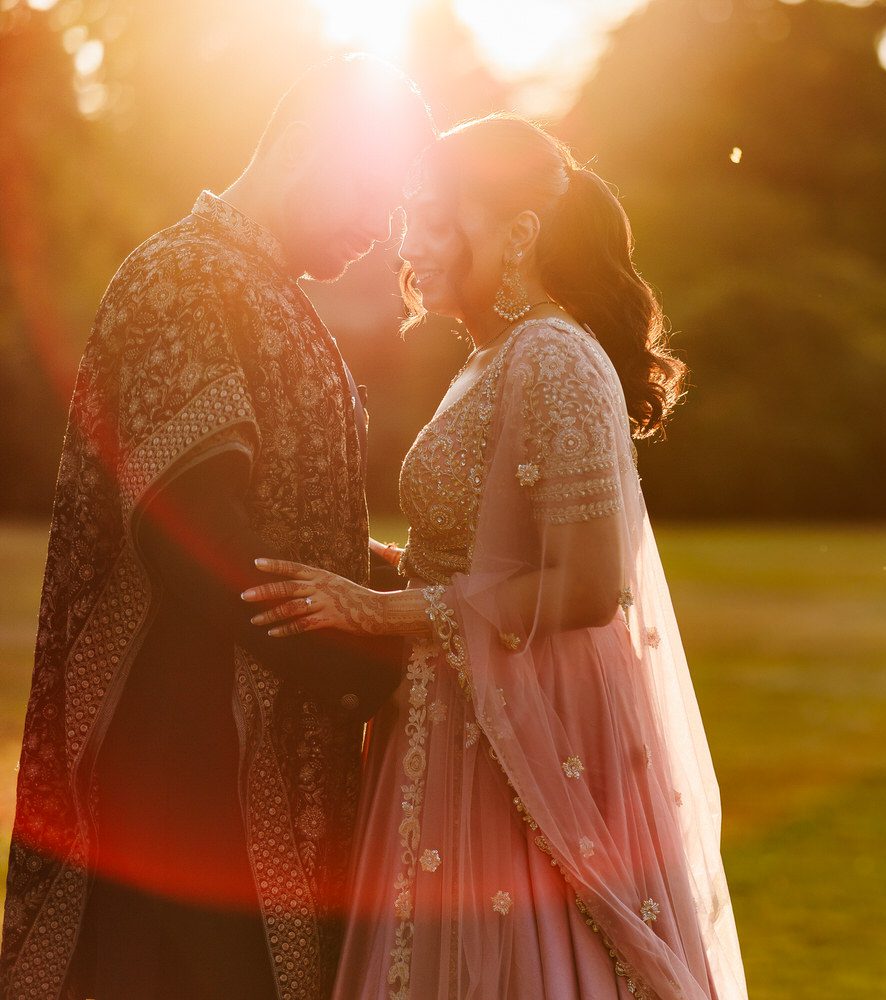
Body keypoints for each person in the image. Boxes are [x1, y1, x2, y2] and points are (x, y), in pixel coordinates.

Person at [244, 114, 748, 1000]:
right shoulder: (490, 358)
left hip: (516, 745)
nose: (412, 241)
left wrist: (375, 610)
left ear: (517, 233)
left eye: (439, 218)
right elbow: (480, 552)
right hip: (449, 722)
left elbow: (591, 586)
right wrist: (365, 560)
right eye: (414, 216)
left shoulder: (554, 356)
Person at [0, 55, 434, 999]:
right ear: (306, 144)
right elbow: (191, 533)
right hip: (185, 756)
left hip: (258, 746)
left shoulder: (264, 286)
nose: (382, 232)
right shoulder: (187, 278)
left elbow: (292, 522)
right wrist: (377, 657)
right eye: (372, 194)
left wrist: (401, 587)